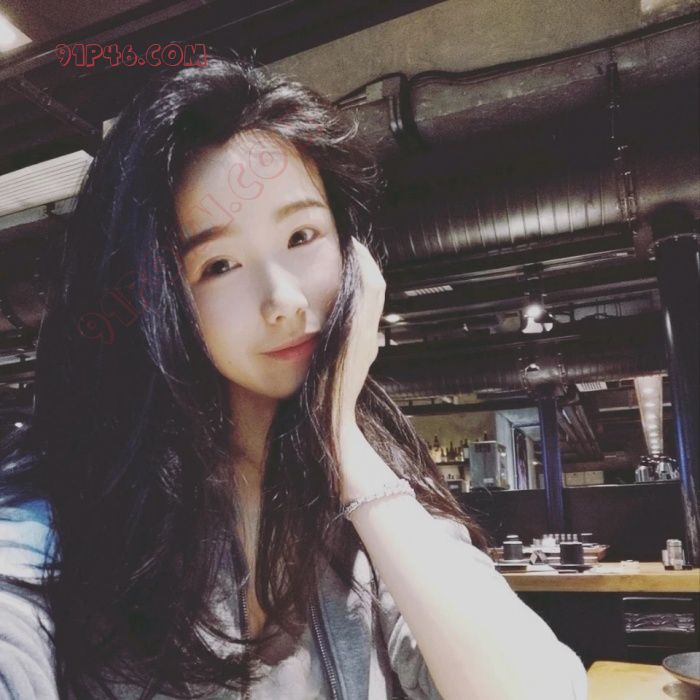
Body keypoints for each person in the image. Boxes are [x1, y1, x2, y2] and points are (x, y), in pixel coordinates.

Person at [0, 51, 588, 699]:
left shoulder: (368, 478)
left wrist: (344, 442)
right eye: (219, 266)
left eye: (303, 236)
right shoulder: (76, 510)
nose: (283, 299)